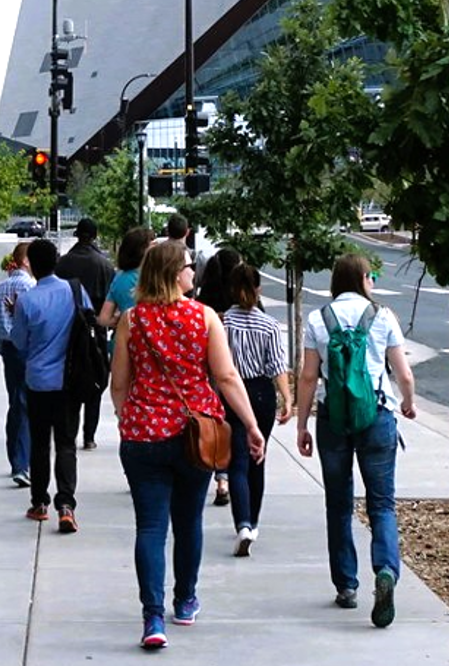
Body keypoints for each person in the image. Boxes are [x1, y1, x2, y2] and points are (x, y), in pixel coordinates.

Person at [110, 241, 266, 649]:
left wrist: (128, 418)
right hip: (196, 434)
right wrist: (250, 424)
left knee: (150, 526)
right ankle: (185, 600)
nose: (193, 273)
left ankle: (152, 617)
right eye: (188, 267)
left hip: (144, 435)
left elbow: (119, 383)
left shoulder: (132, 319)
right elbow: (227, 377)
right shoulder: (205, 317)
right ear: (174, 273)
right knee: (188, 522)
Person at [294, 254, 417, 628]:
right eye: (372, 276)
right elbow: (404, 374)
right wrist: (407, 405)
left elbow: (308, 377)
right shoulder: (383, 316)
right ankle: (386, 571)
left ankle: (346, 586)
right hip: (377, 416)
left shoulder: (319, 319)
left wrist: (302, 425)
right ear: (364, 279)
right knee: (382, 504)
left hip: (333, 419)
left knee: (339, 504)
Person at [11, 238, 87, 533]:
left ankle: (39, 502)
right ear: (57, 261)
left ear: (32, 266)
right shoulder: (74, 291)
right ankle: (66, 505)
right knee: (67, 443)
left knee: (40, 443)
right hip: (70, 381)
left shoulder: (27, 300)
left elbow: (18, 341)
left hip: (39, 381)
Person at [220, 262, 293, 556]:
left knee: (236, 460)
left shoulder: (223, 324)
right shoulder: (270, 325)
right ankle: (255, 521)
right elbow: (277, 366)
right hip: (262, 392)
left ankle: (243, 523)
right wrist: (287, 398)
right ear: (258, 289)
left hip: (233, 391)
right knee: (257, 457)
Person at [54, 218, 115, 450]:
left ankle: (69, 431)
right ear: (95, 236)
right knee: (96, 380)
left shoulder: (63, 263)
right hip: (95, 329)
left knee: (70, 380)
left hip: (68, 329)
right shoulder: (105, 265)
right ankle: (89, 435)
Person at [194, 247, 245, 505]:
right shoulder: (242, 299)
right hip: (239, 371)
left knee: (217, 423)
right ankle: (231, 476)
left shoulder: (205, 300)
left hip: (212, 369)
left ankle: (221, 476)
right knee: (238, 426)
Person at [0, 243, 36, 488]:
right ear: (27, 261)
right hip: (26, 349)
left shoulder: (0, 288)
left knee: (15, 402)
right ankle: (21, 463)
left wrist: (3, 348)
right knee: (25, 404)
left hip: (9, 350)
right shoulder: (30, 287)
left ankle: (16, 458)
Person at [96, 227, 153, 340]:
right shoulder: (150, 277)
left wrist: (121, 318)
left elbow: (103, 319)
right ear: (142, 251)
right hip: (146, 343)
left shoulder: (119, 278)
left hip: (121, 340)